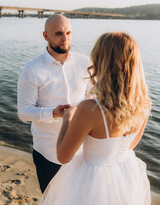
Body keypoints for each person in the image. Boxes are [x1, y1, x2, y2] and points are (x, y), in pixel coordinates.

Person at [39, 32, 151, 205]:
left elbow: (63, 157)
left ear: (102, 62)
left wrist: (68, 119)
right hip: (125, 175)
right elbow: (131, 145)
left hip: (90, 180)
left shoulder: (89, 109)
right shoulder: (143, 103)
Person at [17, 14, 89, 193]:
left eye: (68, 32)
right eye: (59, 34)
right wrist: (53, 113)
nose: (65, 39)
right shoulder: (32, 70)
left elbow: (94, 97)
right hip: (48, 154)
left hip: (82, 153)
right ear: (45, 36)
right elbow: (24, 112)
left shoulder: (85, 62)